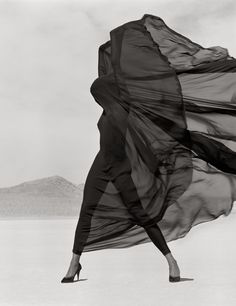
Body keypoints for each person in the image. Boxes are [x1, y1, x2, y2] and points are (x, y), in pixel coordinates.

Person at [61, 14, 236, 284]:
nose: (97, 93)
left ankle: (171, 261)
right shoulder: (107, 112)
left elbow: (155, 129)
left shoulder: (129, 109)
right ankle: (74, 263)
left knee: (140, 214)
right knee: (87, 211)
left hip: (121, 168)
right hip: (101, 165)